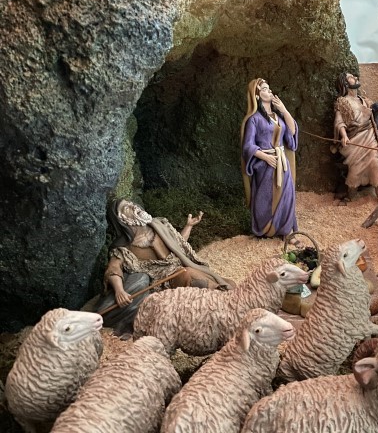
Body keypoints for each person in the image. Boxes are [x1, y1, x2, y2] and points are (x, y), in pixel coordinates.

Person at [96, 199, 235, 334]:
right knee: (189, 276)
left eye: (131, 203)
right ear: (122, 219)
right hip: (164, 281)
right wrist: (119, 291)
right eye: (126, 208)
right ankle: (221, 305)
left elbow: (176, 245)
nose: (133, 207)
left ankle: (227, 299)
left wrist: (189, 226)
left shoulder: (160, 225)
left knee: (220, 282)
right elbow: (113, 269)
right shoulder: (124, 248)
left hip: (181, 267)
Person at [241, 78, 299, 239]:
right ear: (257, 96)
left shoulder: (278, 116)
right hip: (266, 165)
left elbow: (292, 132)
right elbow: (248, 146)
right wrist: (265, 157)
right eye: (265, 89)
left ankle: (287, 232)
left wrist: (284, 110)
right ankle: (266, 228)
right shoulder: (254, 119)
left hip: (282, 163)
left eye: (269, 88)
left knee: (287, 196)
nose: (270, 91)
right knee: (265, 198)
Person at [334, 72, 378, 214]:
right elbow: (339, 122)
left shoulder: (364, 100)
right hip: (355, 140)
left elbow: (374, 116)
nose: (355, 78)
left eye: (354, 76)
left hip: (369, 137)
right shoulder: (342, 102)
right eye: (350, 77)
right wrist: (344, 136)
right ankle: (351, 193)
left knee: (375, 161)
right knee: (356, 167)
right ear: (345, 83)